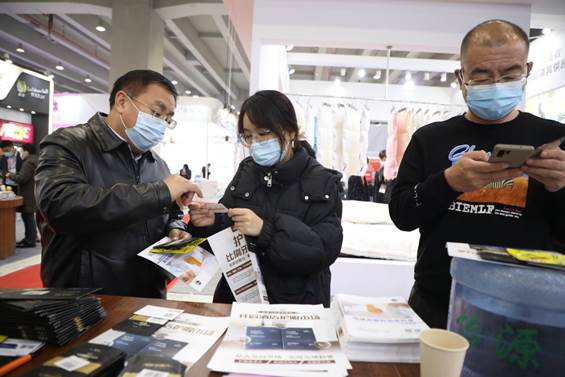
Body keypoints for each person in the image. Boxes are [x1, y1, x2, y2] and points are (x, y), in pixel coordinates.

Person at [389, 19, 565, 328]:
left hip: (526, 307)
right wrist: (448, 183)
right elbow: (402, 214)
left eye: (509, 73)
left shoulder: (555, 139)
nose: (497, 84)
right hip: (436, 302)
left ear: (527, 70)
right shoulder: (430, 138)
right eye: (482, 76)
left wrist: (559, 188)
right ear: (461, 77)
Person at [35, 70, 202, 298]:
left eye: (168, 118)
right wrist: (160, 191)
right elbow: (61, 206)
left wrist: (176, 229)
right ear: (122, 102)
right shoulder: (68, 144)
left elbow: (170, 212)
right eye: (156, 112)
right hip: (87, 297)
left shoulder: (157, 163)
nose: (161, 124)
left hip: (148, 293)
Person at [189, 90, 343, 307]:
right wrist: (210, 223)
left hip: (294, 307)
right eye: (248, 136)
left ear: (289, 132)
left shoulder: (322, 181)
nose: (255, 143)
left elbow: (322, 251)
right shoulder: (247, 171)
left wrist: (265, 231)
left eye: (263, 133)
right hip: (239, 300)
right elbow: (227, 225)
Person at [6, 144, 38, 248]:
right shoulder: (36, 160)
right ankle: (31, 238)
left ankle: (30, 240)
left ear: (26, 151)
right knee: (29, 217)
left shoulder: (28, 162)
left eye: (22, 151)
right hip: (33, 192)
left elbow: (22, 178)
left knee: (28, 217)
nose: (21, 153)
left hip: (28, 193)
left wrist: (9, 175)